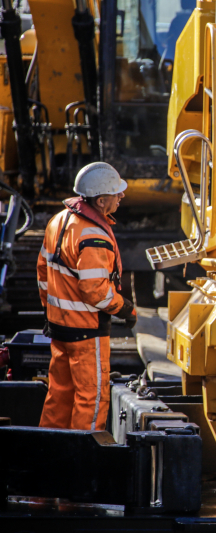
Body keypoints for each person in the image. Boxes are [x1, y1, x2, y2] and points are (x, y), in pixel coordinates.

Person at [37, 162, 137, 431]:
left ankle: (47, 453)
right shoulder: (92, 234)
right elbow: (95, 291)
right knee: (90, 400)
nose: (122, 196)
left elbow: (43, 274)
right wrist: (125, 309)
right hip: (86, 333)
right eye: (117, 193)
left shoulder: (58, 221)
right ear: (102, 200)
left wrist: (51, 312)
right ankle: (83, 462)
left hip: (59, 329)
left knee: (59, 395)